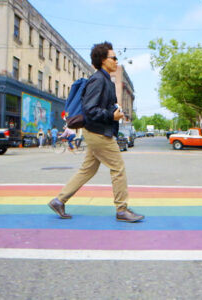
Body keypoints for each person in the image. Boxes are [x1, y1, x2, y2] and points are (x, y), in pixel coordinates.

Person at [48, 41, 144, 223]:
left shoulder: (105, 79)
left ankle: (59, 200)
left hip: (97, 131)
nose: (116, 61)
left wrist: (115, 112)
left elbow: (98, 107)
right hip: (98, 133)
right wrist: (111, 115)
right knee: (118, 168)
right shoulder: (98, 80)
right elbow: (90, 109)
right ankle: (122, 209)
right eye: (113, 58)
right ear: (102, 60)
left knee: (87, 170)